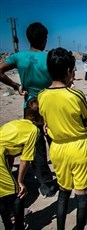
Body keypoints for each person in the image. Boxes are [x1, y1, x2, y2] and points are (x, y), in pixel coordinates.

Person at [38, 47, 87, 230]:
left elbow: (45, 121)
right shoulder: (75, 94)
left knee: (63, 191)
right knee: (82, 193)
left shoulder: (42, 96)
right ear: (70, 70)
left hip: (57, 148)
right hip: (77, 146)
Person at [0, 21, 58, 198]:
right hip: (50, 105)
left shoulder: (18, 57)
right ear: (44, 39)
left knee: (36, 146)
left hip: (30, 107)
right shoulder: (48, 58)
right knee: (55, 141)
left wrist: (16, 85)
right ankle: (63, 176)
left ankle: (46, 185)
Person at [0, 98, 46, 230]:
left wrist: (8, 171)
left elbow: (11, 153)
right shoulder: (33, 131)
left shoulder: (16, 124)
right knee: (18, 194)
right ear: (41, 117)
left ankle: (8, 229)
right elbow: (25, 159)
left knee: (2, 195)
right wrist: (20, 181)